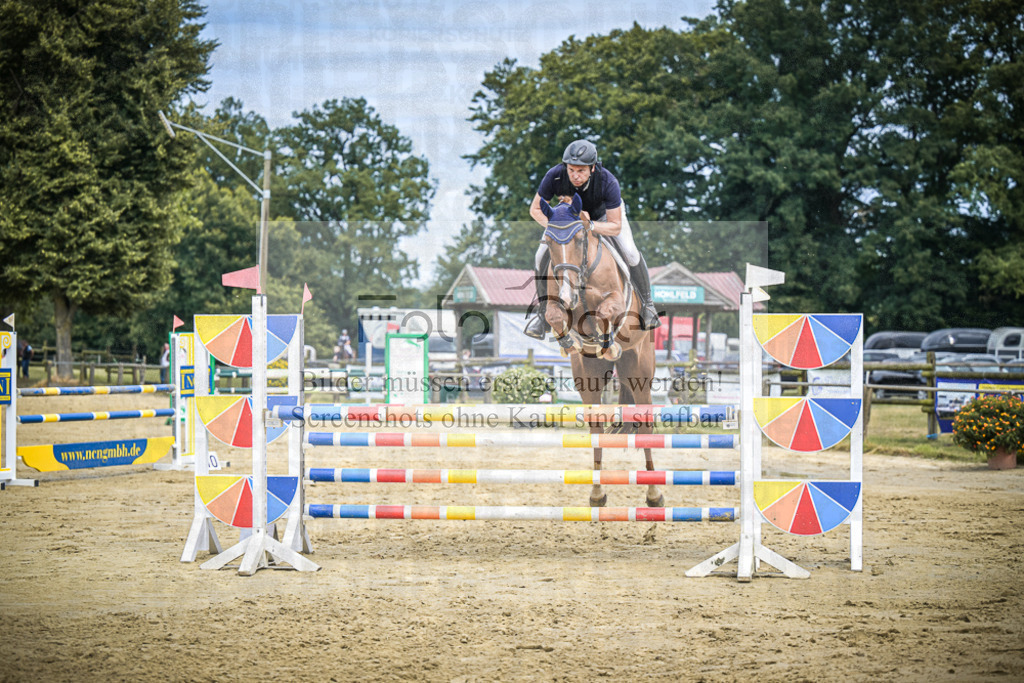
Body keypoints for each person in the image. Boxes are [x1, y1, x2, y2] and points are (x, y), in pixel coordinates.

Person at [524, 139, 661, 339]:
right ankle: (542, 314)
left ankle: (648, 305)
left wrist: (590, 226)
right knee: (539, 256)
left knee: (630, 252)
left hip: (604, 218)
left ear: (593, 168)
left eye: (581, 171)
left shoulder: (608, 181)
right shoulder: (554, 175)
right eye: (571, 170)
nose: (575, 176)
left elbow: (615, 226)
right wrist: (558, 229)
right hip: (567, 222)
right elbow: (535, 209)